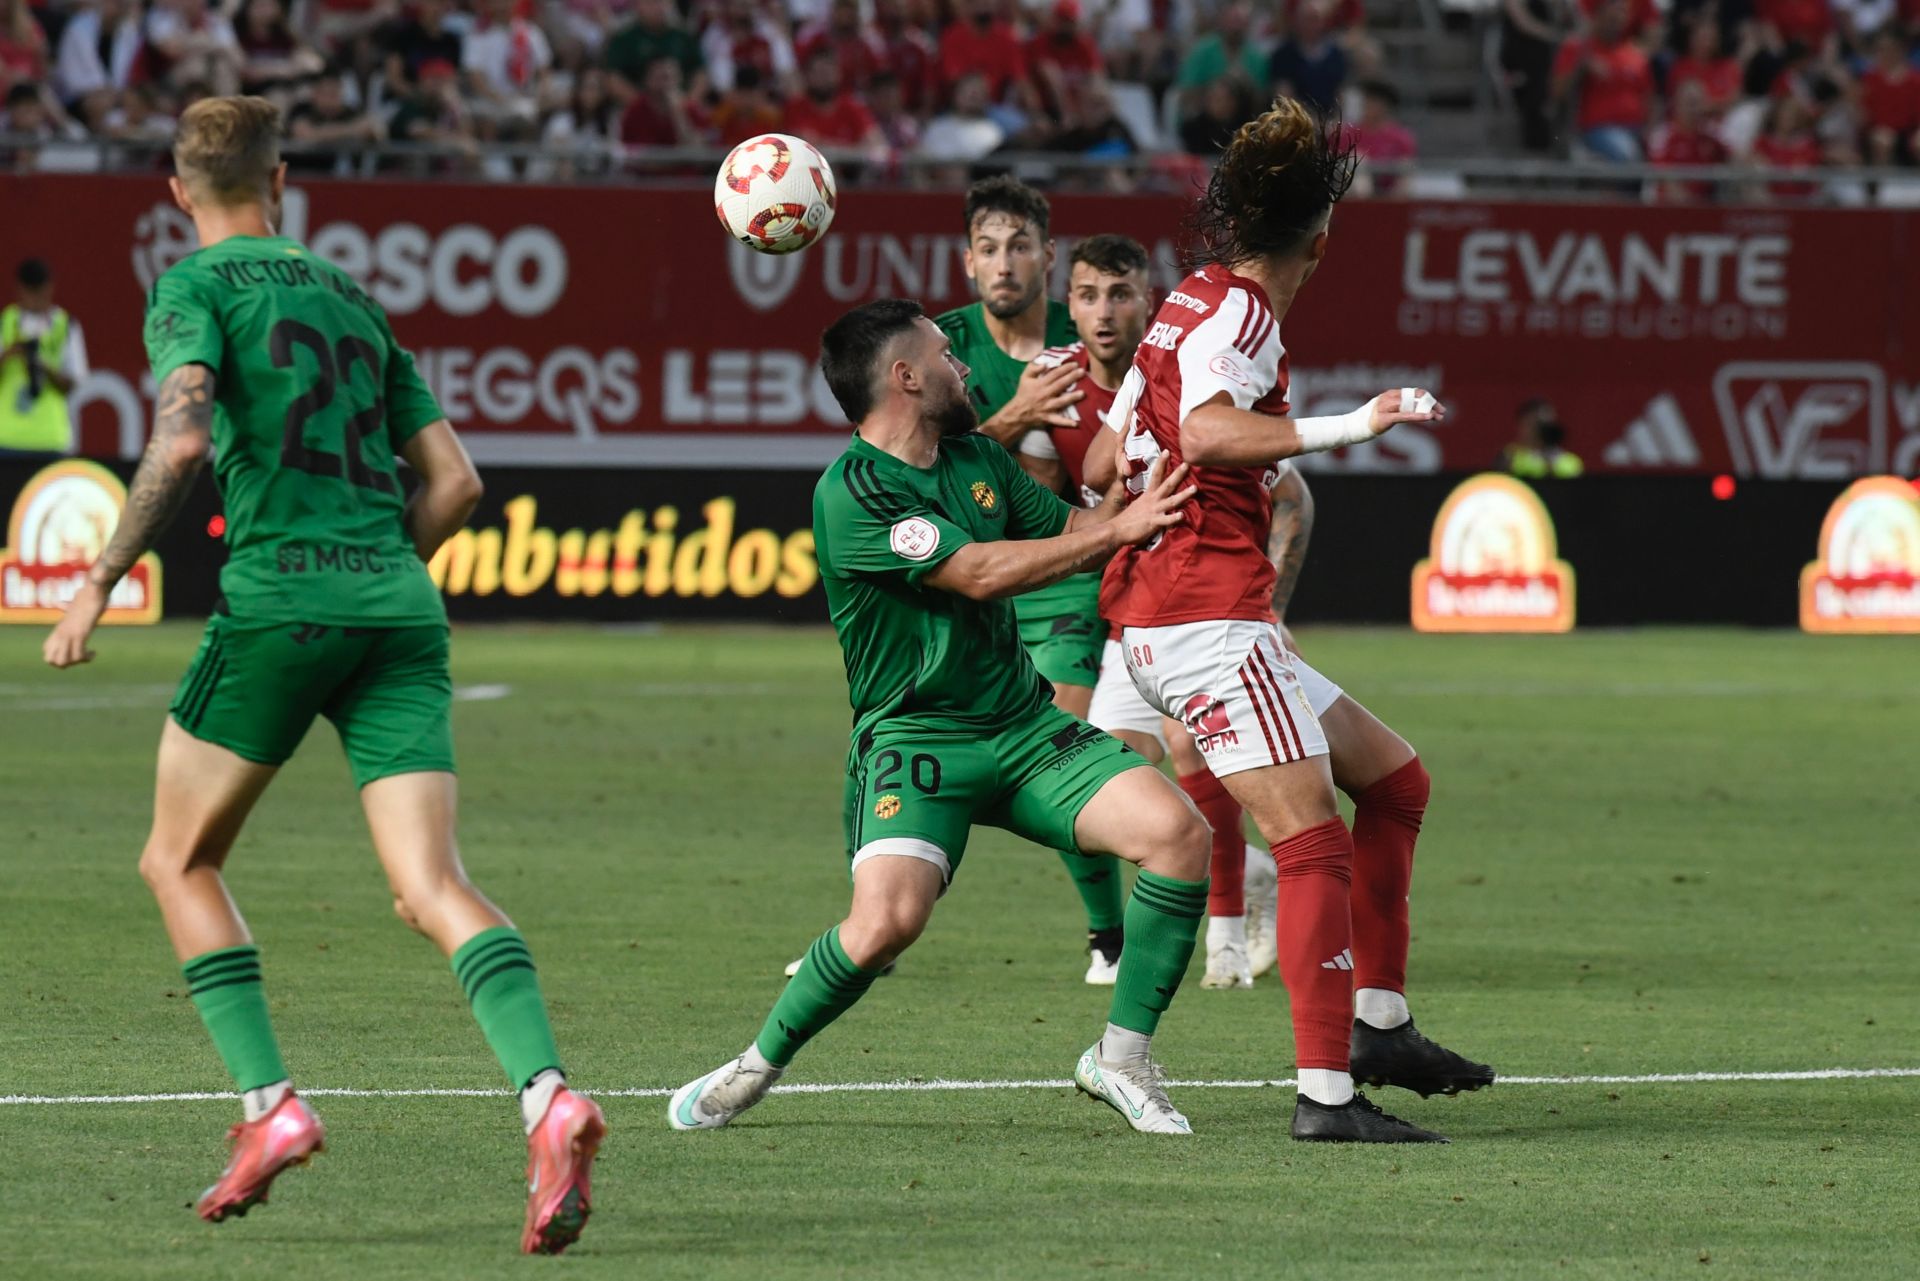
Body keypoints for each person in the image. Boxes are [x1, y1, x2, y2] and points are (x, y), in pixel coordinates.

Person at [39, 96, 603, 1252]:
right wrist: (376, 573)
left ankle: (270, 1108)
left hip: (280, 599)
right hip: (397, 600)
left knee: (177, 855)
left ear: (175, 191)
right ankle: (550, 1097)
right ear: (282, 177)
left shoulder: (190, 288)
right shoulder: (354, 299)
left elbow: (184, 439)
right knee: (430, 886)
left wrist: (97, 580)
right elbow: (455, 487)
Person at [670, 298, 1213, 1136]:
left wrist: (1156, 487)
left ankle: (1122, 1057)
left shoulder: (974, 461)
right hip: (916, 739)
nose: (962, 365)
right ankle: (757, 1062)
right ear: (905, 377)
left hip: (1024, 729)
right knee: (887, 924)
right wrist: (1122, 530)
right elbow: (983, 572)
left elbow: (1077, 528)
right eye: (944, 354)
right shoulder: (851, 494)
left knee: (1178, 835)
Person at [1099, 97, 1493, 1141]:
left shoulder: (1186, 300)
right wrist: (1349, 424)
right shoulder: (1243, 315)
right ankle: (1327, 1096)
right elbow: (1207, 426)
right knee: (1312, 843)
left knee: (1395, 780)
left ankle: (1381, 1022)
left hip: (1178, 611)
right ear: (1320, 240)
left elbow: (1105, 456)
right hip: (1205, 617)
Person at [1019, 233, 1272, 991]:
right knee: (1087, 780)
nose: (1105, 312)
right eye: (1089, 295)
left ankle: (1221, 931)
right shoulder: (1050, 384)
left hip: (1179, 601)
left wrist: (1268, 605)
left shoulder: (1186, 369)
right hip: (1092, 588)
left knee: (1190, 751)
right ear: (1069, 305)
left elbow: (1290, 494)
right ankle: (1241, 875)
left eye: (1121, 293)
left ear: (1149, 302)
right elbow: (1041, 510)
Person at [939, 178, 1133, 983]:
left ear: (1050, 257)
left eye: (1020, 245)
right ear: (967, 261)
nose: (1005, 262)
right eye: (989, 247)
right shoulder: (938, 347)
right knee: (925, 748)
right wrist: (1014, 418)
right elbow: (927, 473)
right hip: (977, 578)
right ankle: (874, 922)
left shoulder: (1089, 321)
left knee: (1059, 746)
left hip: (1070, 571)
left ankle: (1109, 936)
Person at [1, 257, 87, 456]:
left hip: (50, 439)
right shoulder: (5, 323)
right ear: (20, 290)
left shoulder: (66, 325)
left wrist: (43, 366)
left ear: (50, 288)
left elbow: (72, 384)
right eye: (31, 292)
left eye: (40, 291)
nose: (36, 299)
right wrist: (10, 353)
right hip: (5, 438)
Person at [1551, 0, 1653, 162]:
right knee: (1625, 153)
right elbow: (1557, 92)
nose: (1616, 20)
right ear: (1597, 16)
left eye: (1621, 15)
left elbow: (1649, 99)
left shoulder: (1636, 54)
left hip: (1637, 130)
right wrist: (1581, 66)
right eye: (1611, 16)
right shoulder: (1577, 48)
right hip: (1597, 130)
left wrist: (1652, 133)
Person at [1503, 398, 1584, 476]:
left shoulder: (1571, 462)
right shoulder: (1510, 457)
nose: (1538, 429)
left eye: (1545, 424)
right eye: (1533, 424)